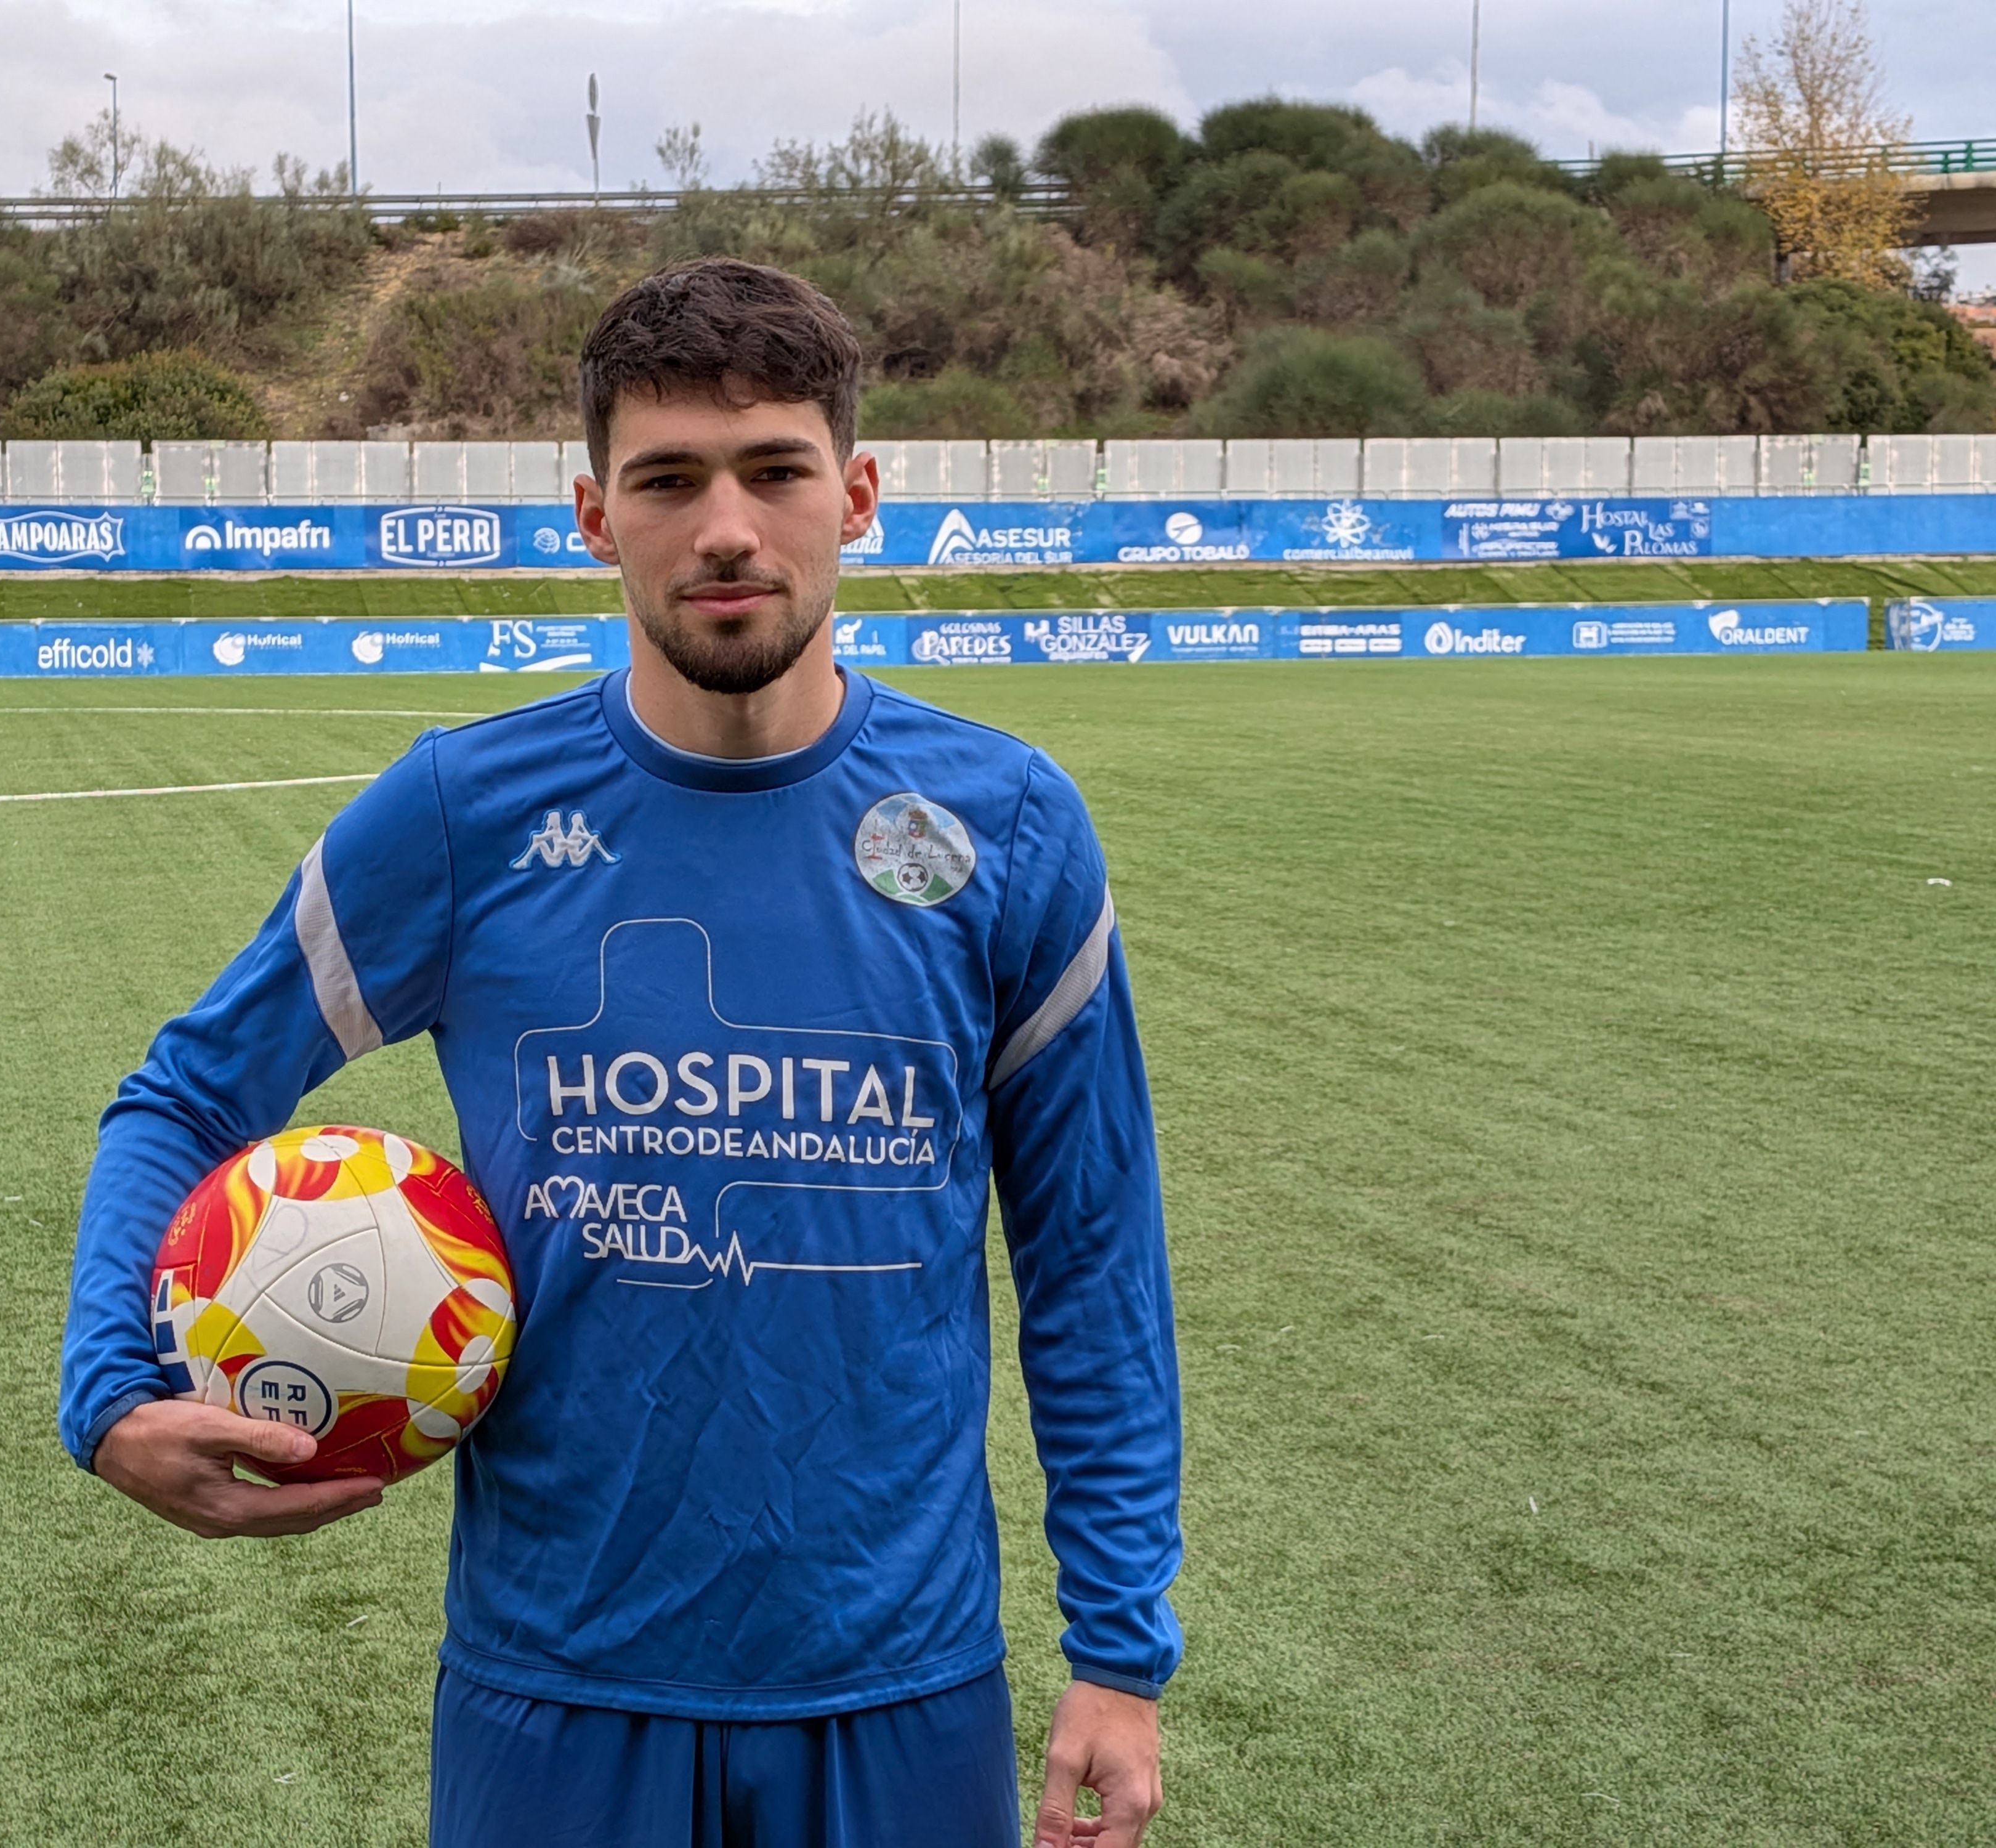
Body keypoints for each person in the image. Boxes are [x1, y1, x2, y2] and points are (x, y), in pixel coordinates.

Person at [59, 257, 1183, 1848]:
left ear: (855, 495)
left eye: (776, 471)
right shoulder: (465, 817)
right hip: (556, 1687)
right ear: (595, 515)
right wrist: (111, 1391)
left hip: (900, 1686)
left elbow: (1093, 1261)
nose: (727, 526)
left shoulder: (1004, 830)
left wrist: (1119, 1652)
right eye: (668, 479)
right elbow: (185, 1090)